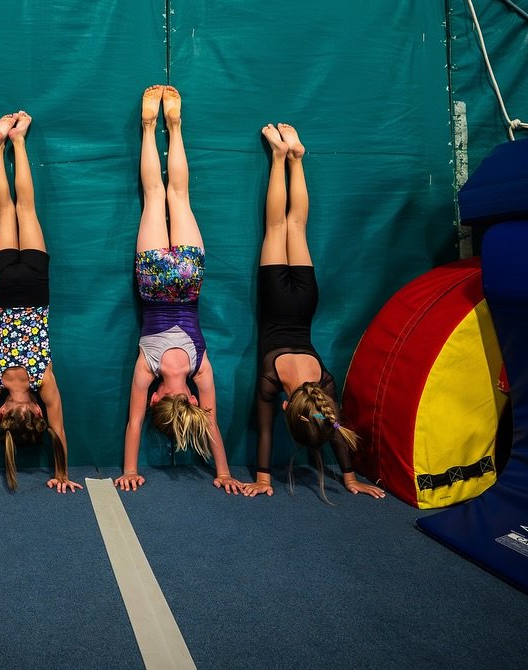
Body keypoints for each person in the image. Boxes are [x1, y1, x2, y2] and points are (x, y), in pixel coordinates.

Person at [245, 122, 386, 502]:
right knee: (278, 226)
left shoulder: (324, 384)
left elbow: (334, 427)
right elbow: (266, 432)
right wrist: (263, 478)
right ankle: (280, 156)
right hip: (275, 299)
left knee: (297, 226)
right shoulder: (271, 381)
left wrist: (350, 475)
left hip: (307, 300)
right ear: (287, 406)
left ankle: (296, 158)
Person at [117, 86, 243, 494]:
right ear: (157, 399)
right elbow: (134, 423)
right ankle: (149, 125)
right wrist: (129, 470)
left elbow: (212, 424)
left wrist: (224, 472)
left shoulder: (200, 369)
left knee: (177, 196)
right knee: (156, 195)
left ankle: (174, 126)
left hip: (187, 281)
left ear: (190, 401)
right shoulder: (147, 368)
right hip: (154, 280)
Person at [0, 112, 80, 496]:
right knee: (8, 211)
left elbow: (58, 429)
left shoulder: (43, 379)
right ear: (5, 412)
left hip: (36, 291)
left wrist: (62, 473)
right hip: (7, 289)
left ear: (35, 411)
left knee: (25, 209)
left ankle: (18, 140)